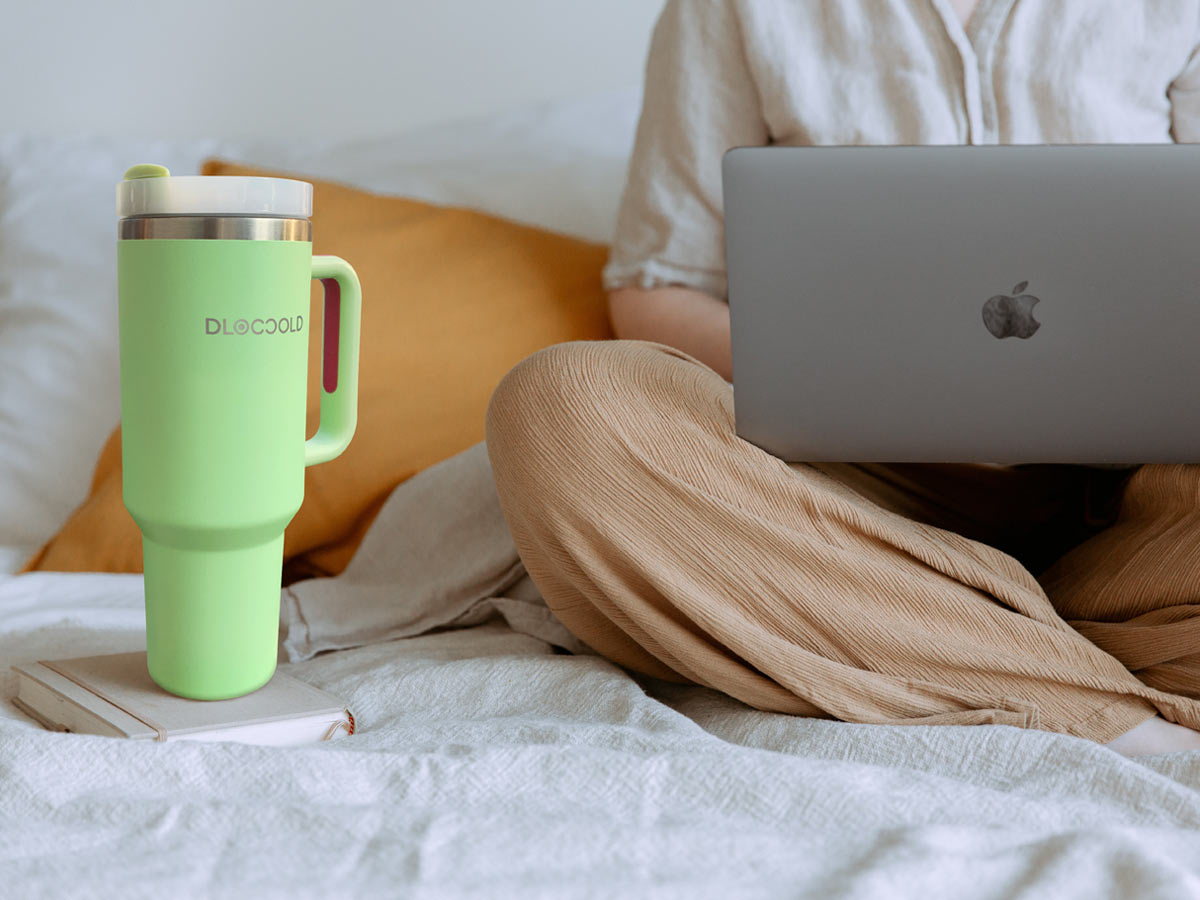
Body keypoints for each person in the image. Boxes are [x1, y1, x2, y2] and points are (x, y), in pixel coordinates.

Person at [486, 0, 1200, 757]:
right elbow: (659, 287)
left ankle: (916, 637)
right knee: (562, 405)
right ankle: (1108, 709)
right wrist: (853, 374)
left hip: (1143, 507)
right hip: (847, 494)